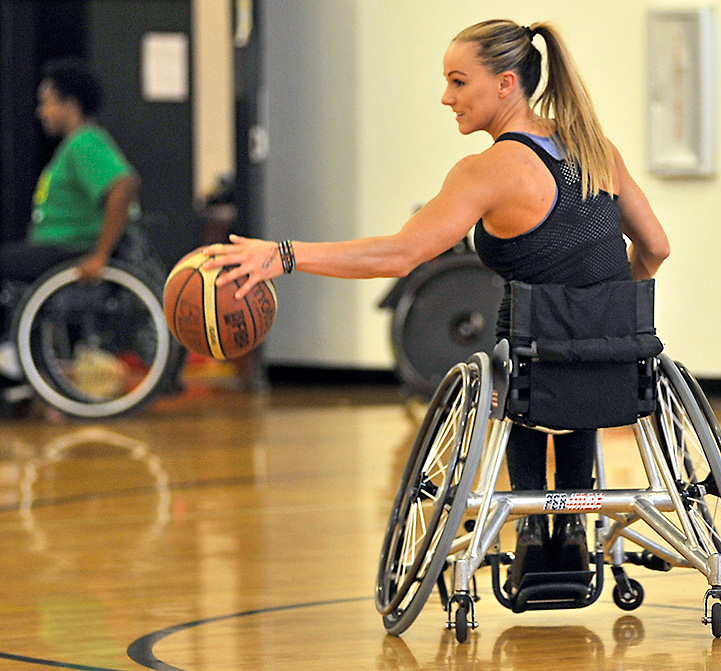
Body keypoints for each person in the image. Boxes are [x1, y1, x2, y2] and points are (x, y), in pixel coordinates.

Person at [203, 20, 670, 592]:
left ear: (504, 84)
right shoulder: (598, 151)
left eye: (457, 81)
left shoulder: (489, 171)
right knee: (561, 356)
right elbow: (656, 247)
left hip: (530, 370)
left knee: (525, 358)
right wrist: (603, 310)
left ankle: (530, 530)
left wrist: (287, 255)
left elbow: (402, 254)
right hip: (618, 367)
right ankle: (570, 522)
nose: (446, 97)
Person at [0, 58, 139, 289]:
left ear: (71, 105)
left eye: (47, 103)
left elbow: (124, 185)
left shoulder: (84, 142)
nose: (41, 112)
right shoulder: (75, 145)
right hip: (55, 247)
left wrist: (100, 256)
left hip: (68, 248)